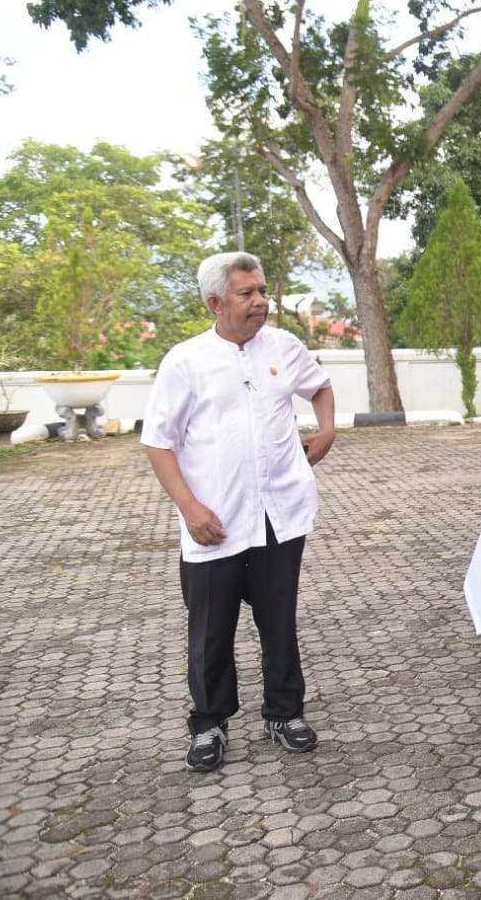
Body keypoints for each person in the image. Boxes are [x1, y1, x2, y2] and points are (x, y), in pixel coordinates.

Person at [142, 252, 336, 773]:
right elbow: (158, 442)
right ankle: (209, 723)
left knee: (279, 622)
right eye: (247, 293)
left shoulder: (284, 347)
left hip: (278, 515)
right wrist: (190, 509)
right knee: (211, 629)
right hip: (215, 521)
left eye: (263, 291)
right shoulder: (185, 361)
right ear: (216, 302)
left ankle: (284, 713)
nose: (260, 302)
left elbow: (319, 385)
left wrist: (327, 429)